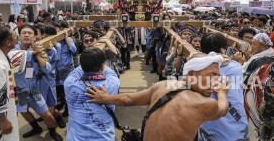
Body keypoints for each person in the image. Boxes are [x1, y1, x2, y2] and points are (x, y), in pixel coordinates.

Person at [87, 53, 229, 141]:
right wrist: (222, 93)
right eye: (211, 75)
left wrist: (105, 98)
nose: (216, 81)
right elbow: (222, 109)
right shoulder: (204, 104)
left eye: (218, 76)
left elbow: (128, 99)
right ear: (191, 75)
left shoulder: (163, 86)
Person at [14, 25, 62, 140]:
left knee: (47, 114)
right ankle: (36, 127)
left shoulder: (40, 49)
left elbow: (48, 69)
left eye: (29, 33)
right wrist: (31, 54)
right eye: (24, 33)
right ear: (19, 36)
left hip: (35, 89)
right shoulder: (14, 50)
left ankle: (52, 131)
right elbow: (14, 62)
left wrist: (38, 55)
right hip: (21, 90)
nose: (26, 35)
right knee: (23, 111)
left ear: (34, 37)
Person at [199, 33, 248, 140]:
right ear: (223, 49)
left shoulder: (196, 68)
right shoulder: (235, 67)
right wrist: (238, 62)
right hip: (234, 125)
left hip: (208, 124)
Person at [64, 48, 120, 140]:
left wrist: (88, 58)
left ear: (82, 65)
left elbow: (77, 72)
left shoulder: (70, 84)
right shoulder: (112, 83)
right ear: (102, 65)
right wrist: (96, 57)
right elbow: (108, 70)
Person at [242, 33, 274, 141]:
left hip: (263, 102)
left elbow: (243, 79)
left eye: (253, 44)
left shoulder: (258, 60)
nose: (251, 46)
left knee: (259, 130)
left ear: (262, 45)